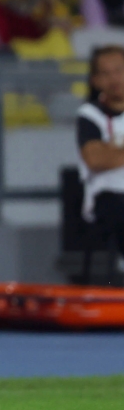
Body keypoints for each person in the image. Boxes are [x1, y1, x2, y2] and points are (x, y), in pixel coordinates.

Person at [78, 46, 124, 257]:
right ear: (95, 81)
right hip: (109, 198)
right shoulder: (89, 114)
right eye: (106, 73)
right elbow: (95, 159)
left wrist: (113, 152)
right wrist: (105, 155)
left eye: (119, 70)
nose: (115, 79)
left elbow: (105, 155)